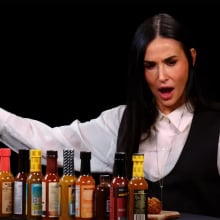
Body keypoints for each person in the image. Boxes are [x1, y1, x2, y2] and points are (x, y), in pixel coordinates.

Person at [0, 13, 220, 217]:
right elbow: (51, 140)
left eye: (171, 62)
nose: (162, 76)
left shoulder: (215, 126)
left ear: (191, 58)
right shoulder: (121, 121)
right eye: (150, 66)